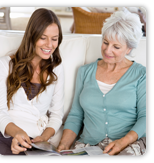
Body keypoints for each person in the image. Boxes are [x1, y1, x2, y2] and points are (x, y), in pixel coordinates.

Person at [58, 10, 146, 156]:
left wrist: (122, 142)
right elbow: (75, 115)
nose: (107, 50)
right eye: (105, 42)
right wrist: (63, 145)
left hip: (128, 144)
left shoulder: (141, 74)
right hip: (89, 144)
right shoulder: (85, 71)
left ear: (129, 48)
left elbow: (146, 116)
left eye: (116, 47)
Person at [0, 8, 64, 155]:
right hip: (4, 135)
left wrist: (43, 138)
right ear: (32, 36)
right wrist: (17, 133)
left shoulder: (57, 69)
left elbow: (57, 114)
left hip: (36, 142)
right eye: (43, 37)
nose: (49, 45)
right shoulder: (3, 65)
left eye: (54, 39)